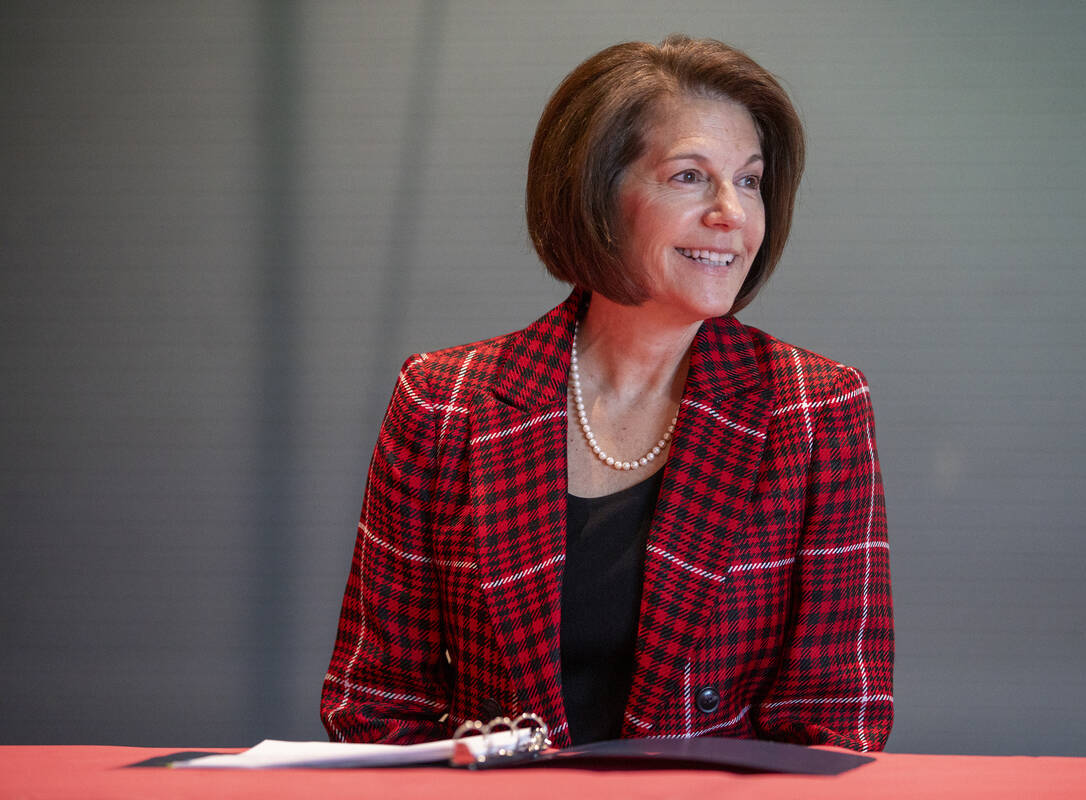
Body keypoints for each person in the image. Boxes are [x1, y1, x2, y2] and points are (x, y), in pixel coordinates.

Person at [321, 34, 893, 752]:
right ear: (595, 193)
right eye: (690, 177)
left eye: (748, 181)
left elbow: (838, 720)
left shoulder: (815, 410)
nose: (731, 213)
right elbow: (374, 707)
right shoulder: (442, 403)